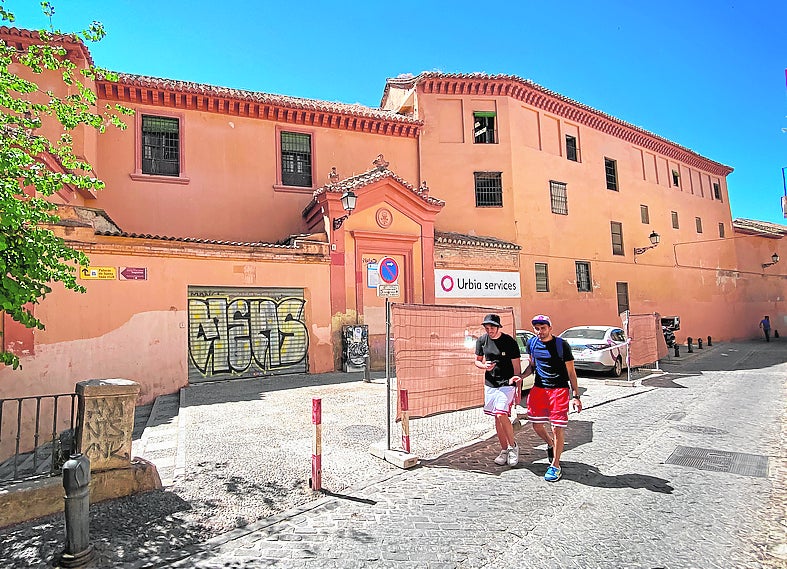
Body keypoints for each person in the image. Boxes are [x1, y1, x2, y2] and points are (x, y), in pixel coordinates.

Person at [522, 315, 582, 482]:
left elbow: (571, 372)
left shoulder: (561, 345)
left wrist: (576, 396)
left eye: (543, 328)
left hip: (559, 390)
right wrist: (520, 376)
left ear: (549, 328)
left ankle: (555, 465)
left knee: (557, 428)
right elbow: (532, 366)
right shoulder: (532, 343)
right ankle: (550, 443)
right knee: (536, 424)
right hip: (539, 389)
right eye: (537, 328)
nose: (540, 331)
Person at [474, 313, 522, 467]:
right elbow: (477, 361)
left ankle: (513, 446)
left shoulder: (509, 342)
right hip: (490, 383)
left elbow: (516, 365)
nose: (490, 330)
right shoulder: (481, 341)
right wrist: (484, 366)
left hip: (507, 383)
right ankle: (503, 450)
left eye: (492, 327)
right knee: (497, 417)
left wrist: (517, 383)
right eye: (487, 328)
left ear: (498, 327)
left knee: (501, 413)